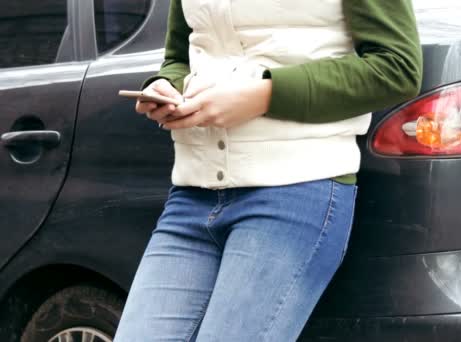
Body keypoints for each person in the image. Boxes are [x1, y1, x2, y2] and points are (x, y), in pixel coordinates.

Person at [113, 0, 422, 341]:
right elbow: (180, 55)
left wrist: (264, 94)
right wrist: (167, 85)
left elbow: (397, 68)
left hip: (294, 189)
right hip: (193, 191)